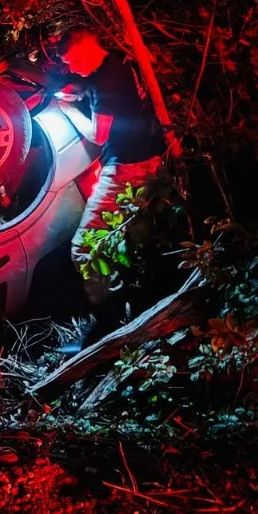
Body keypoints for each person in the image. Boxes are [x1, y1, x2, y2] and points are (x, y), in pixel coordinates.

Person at [59, 28, 175, 343]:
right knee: (126, 240)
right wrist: (82, 94)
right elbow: (119, 98)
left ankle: (107, 323)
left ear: (83, 52)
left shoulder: (104, 82)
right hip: (147, 160)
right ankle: (132, 308)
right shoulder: (119, 62)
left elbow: (98, 135)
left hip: (127, 167)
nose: (70, 69)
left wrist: (68, 110)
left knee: (83, 248)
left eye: (70, 62)